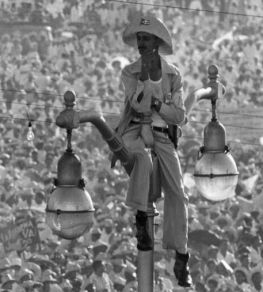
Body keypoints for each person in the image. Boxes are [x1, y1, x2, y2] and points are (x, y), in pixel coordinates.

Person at [113, 14, 193, 287]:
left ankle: (180, 252)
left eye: (145, 38)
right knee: (142, 162)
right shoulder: (130, 72)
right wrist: (149, 88)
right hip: (135, 130)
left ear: (157, 42)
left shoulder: (173, 74)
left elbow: (179, 116)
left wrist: (159, 106)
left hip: (163, 136)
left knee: (179, 193)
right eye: (139, 38)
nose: (141, 43)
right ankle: (140, 220)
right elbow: (137, 106)